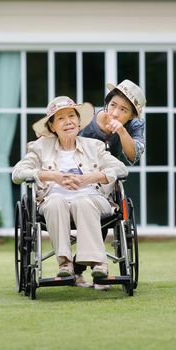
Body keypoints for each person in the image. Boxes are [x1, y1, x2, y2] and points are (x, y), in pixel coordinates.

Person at [12, 96, 128, 280]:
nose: (68, 122)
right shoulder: (40, 148)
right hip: (54, 199)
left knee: (83, 201)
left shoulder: (95, 146)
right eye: (60, 118)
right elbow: (18, 173)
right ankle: (65, 263)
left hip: (93, 198)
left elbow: (120, 169)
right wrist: (53, 176)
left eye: (72, 116)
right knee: (55, 202)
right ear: (52, 126)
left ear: (79, 121)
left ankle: (99, 263)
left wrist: (87, 178)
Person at [75, 79, 146, 290]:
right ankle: (82, 267)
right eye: (113, 105)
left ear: (132, 116)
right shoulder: (87, 119)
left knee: (105, 210)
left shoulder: (135, 125)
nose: (115, 113)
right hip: (76, 176)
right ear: (107, 103)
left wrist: (122, 132)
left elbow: (134, 156)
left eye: (123, 110)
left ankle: (89, 268)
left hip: (105, 180)